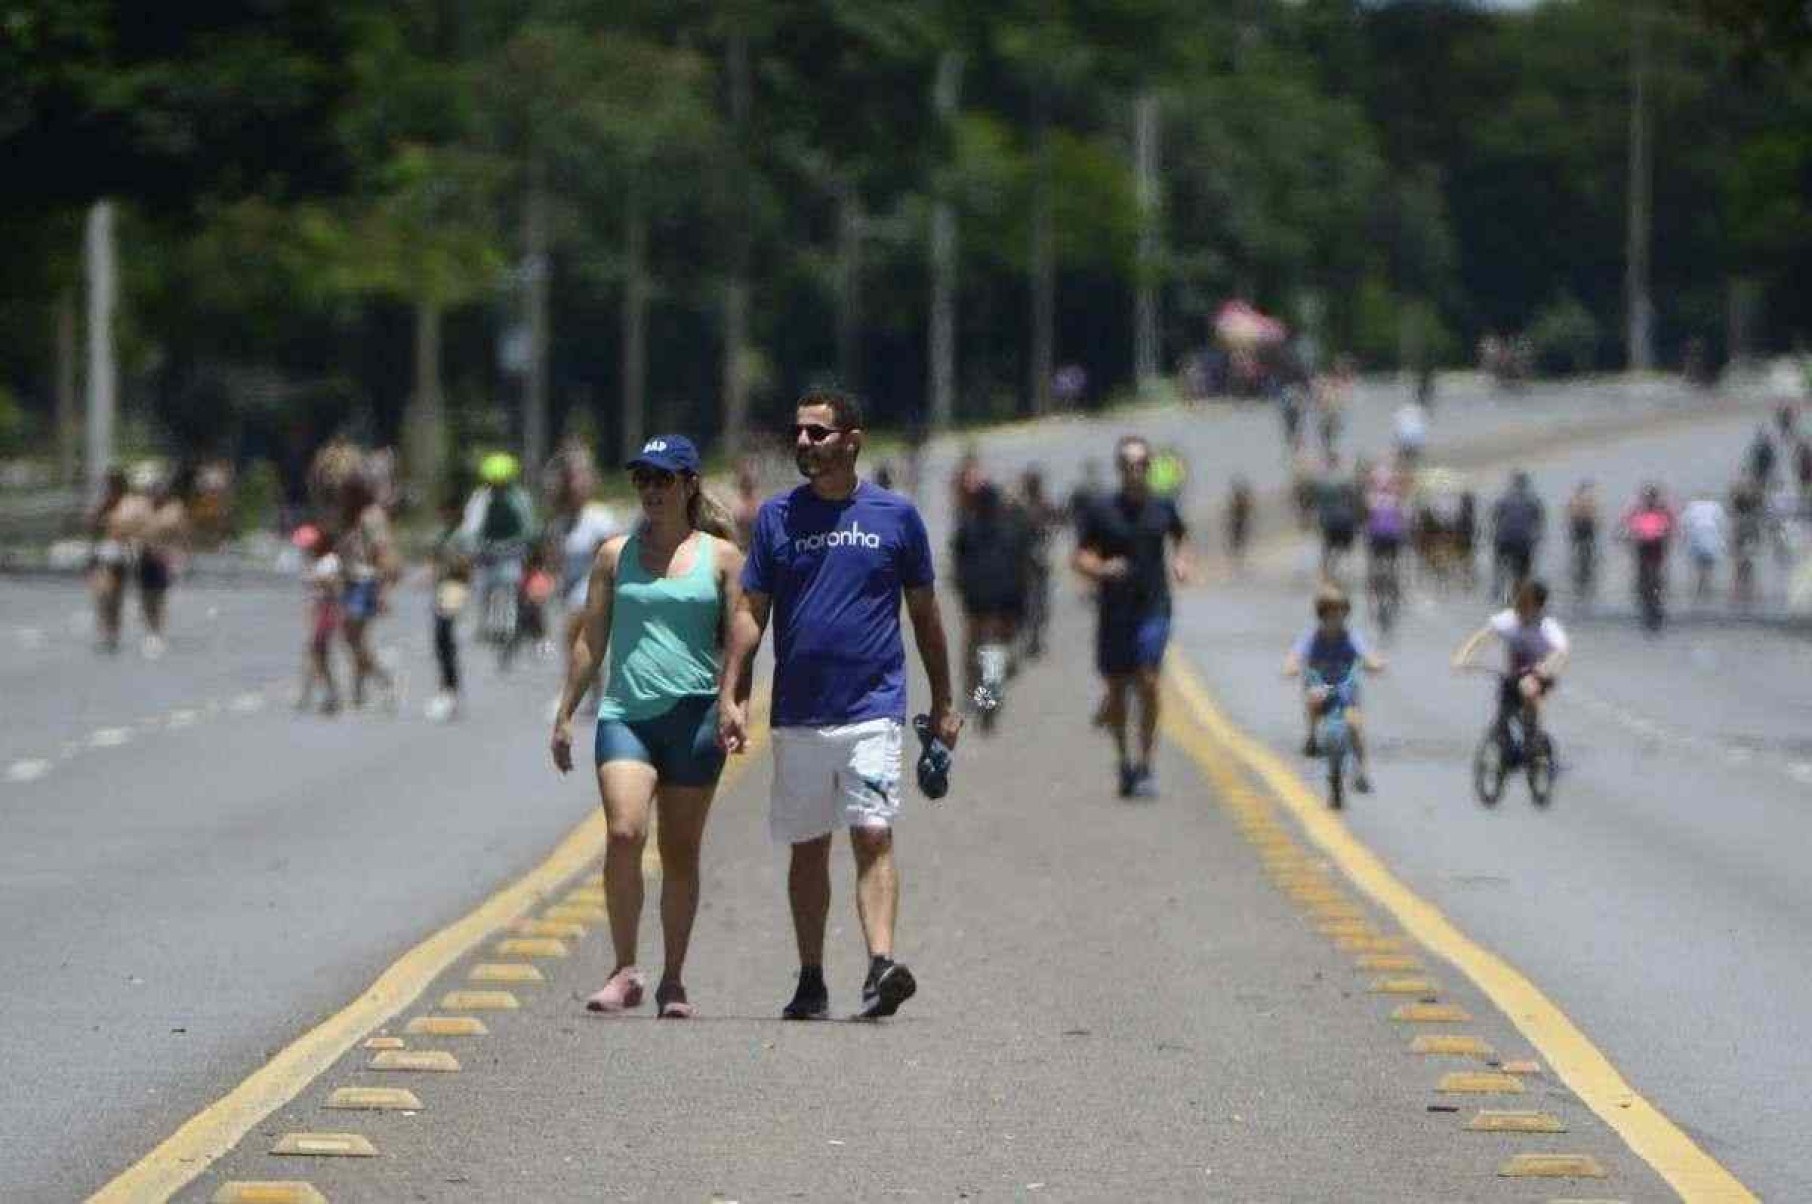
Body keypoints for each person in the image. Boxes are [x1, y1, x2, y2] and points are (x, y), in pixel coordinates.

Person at [718, 390, 961, 1022]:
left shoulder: (896, 518)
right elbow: (751, 613)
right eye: (797, 433)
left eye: (818, 434)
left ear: (852, 440)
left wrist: (946, 703)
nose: (803, 443)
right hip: (799, 712)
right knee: (807, 847)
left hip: (874, 708)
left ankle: (881, 964)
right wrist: (733, 692)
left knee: (874, 832)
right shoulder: (776, 519)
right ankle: (811, 977)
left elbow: (927, 617)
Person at [550, 434, 746, 1019]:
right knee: (623, 833)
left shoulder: (722, 558)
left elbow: (741, 639)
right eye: (642, 480)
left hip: (694, 719)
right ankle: (624, 968)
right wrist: (565, 711)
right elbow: (591, 638)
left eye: (663, 480)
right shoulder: (614, 555)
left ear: (689, 484)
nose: (651, 491)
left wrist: (735, 701)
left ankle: (674, 981)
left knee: (679, 853)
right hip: (627, 716)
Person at [1072, 434, 1195, 799]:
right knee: (1118, 690)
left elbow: (1181, 536)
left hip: (1153, 607)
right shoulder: (1101, 509)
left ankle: (1146, 765)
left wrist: (1182, 560)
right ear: (1119, 469)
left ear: (1149, 466)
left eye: (1141, 463)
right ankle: (1124, 760)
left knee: (1149, 679)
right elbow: (1080, 555)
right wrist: (1102, 569)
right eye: (1128, 464)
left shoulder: (1163, 506)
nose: (1135, 470)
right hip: (1114, 611)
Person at [1281, 586, 1386, 793]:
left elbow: (1367, 654)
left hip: (1345, 686)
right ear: (1322, 613)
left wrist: (1374, 663)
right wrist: (1291, 666)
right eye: (1330, 612)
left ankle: (1362, 772)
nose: (1336, 617)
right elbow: (1295, 655)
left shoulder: (1351, 636)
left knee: (1355, 724)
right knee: (1314, 699)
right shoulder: (1312, 636)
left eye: (1340, 612)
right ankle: (1311, 737)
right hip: (1320, 684)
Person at [951, 480, 1031, 723]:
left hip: (983, 599)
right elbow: (1022, 565)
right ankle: (986, 696)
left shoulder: (968, 528)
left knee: (980, 646)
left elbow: (957, 564)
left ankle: (982, 694)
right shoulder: (1009, 527)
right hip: (999, 600)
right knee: (993, 648)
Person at [1451, 579, 1570, 741]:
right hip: (1514, 674)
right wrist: (1463, 657)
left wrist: (1544, 668)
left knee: (1528, 689)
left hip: (1540, 675)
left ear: (1538, 607)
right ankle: (1503, 738)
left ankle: (1534, 736)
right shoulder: (1508, 620)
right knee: (1504, 706)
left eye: (1526, 603)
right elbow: (1481, 638)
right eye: (1519, 601)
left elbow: (1561, 653)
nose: (1520, 607)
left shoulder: (1548, 628)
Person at [461, 452, 537, 663]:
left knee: (512, 585)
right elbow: (471, 526)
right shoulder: (481, 498)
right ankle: (482, 624)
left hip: (512, 551)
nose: (498, 487)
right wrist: (470, 546)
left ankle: (510, 627)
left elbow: (529, 525)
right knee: (482, 587)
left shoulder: (520, 498)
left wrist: (527, 545)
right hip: (487, 552)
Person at [335, 472, 398, 709]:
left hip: (366, 581)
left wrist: (383, 590)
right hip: (350, 580)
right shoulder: (346, 517)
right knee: (353, 639)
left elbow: (383, 552)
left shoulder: (372, 517)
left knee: (355, 637)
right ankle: (359, 690)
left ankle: (382, 680)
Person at [426, 493, 473, 723]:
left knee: (444, 630)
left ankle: (451, 688)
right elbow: (434, 561)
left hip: (455, 585)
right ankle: (448, 686)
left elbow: (466, 565)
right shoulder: (441, 535)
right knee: (440, 638)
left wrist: (453, 562)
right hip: (441, 586)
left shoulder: (463, 536)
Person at [136, 469, 189, 660]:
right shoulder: (142, 508)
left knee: (159, 594)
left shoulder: (173, 509)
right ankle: (150, 629)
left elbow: (182, 534)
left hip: (164, 557)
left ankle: (157, 631)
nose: (156, 494)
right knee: (145, 595)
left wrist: (181, 555)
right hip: (143, 555)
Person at [293, 524, 343, 715]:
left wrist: (316, 578)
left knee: (317, 653)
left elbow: (334, 584)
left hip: (327, 611)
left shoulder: (330, 561)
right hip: (318, 611)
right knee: (317, 654)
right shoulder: (316, 562)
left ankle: (321, 694)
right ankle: (324, 694)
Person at [87, 467, 134, 654]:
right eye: (108, 484)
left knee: (116, 598)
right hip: (103, 555)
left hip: (120, 555)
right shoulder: (103, 504)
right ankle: (106, 632)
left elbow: (132, 529)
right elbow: (90, 525)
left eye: (113, 484)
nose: (109, 488)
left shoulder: (129, 505)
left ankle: (113, 634)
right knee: (102, 595)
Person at [1489, 471, 1545, 603]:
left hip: (1504, 539)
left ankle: (1497, 589)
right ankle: (1519, 595)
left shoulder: (1503, 499)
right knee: (1523, 572)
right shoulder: (1533, 500)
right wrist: (1536, 539)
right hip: (1523, 541)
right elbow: (1538, 522)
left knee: (1499, 566)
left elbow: (1494, 518)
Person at [1314, 452, 1362, 582]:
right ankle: (1342, 571)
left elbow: (1318, 502)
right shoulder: (1345, 479)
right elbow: (1353, 499)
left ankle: (1326, 571)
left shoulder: (1322, 481)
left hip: (1329, 520)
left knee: (1328, 547)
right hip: (1345, 520)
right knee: (1346, 547)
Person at [1680, 491, 1728, 604]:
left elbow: (1685, 522)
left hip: (1696, 535)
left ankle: (1701, 584)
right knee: (1708, 562)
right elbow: (1721, 522)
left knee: (1699, 562)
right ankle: (1706, 584)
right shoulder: (1716, 506)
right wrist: (1723, 540)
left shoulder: (1692, 506)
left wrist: (1684, 538)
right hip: (1711, 534)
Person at [1566, 480, 1599, 601]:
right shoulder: (1591, 499)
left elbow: (1569, 513)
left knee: (1578, 547)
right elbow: (1595, 515)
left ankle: (1580, 562)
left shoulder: (1574, 498)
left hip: (1577, 525)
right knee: (1588, 547)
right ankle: (1586, 564)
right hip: (1587, 525)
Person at [1227, 476, 1254, 567]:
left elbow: (1234, 514)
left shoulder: (1240, 502)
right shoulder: (1240, 502)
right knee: (1237, 543)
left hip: (1239, 524)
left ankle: (1238, 562)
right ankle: (1237, 562)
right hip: (1238, 524)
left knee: (1238, 543)